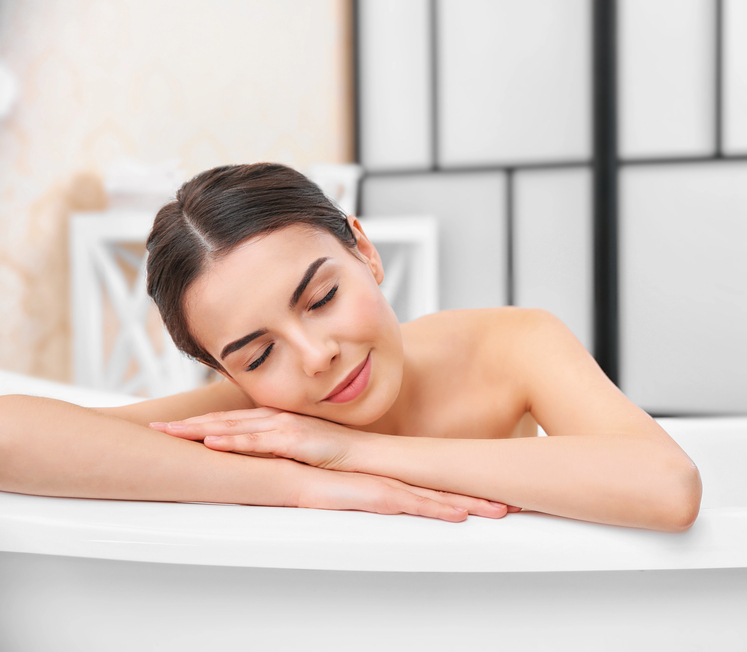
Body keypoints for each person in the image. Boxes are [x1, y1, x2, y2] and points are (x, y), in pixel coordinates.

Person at [0, 163, 701, 531]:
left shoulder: (512, 343)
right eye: (255, 353)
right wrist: (295, 481)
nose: (313, 355)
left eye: (321, 296)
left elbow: (667, 487)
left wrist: (355, 453)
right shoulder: (252, 423)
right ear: (224, 371)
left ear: (363, 249)